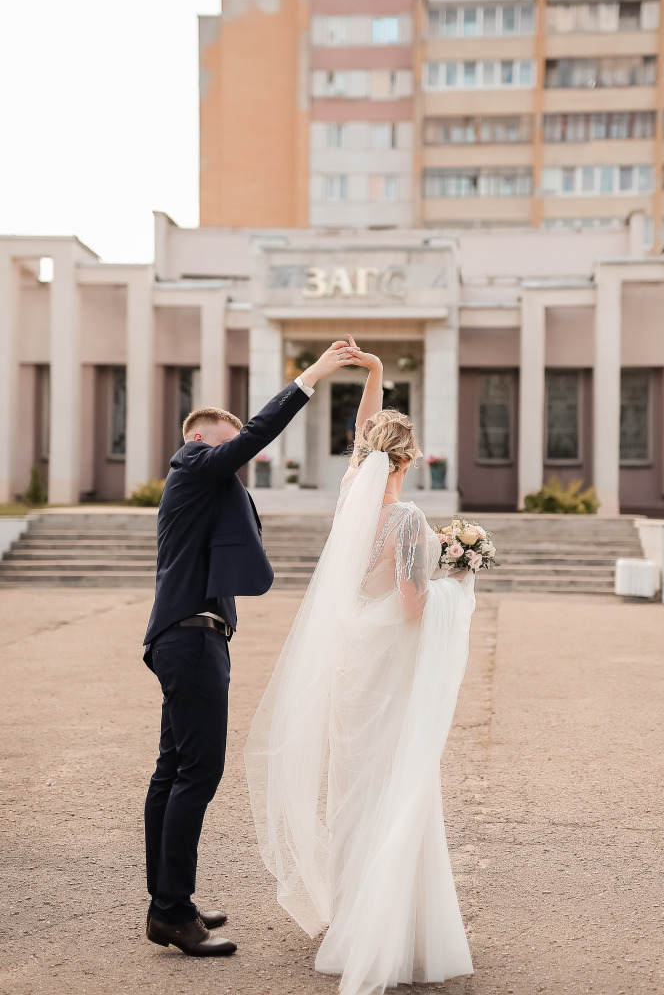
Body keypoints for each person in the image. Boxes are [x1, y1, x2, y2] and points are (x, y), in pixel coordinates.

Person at [244, 336, 476, 995]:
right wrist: (457, 584)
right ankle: (390, 925)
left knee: (351, 788)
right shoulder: (404, 519)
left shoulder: (351, 493)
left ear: (368, 453)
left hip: (352, 663)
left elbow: (361, 441)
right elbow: (411, 607)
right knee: (396, 783)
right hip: (390, 668)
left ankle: (353, 913)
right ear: (411, 458)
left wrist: (373, 372)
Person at [143, 340, 352, 957]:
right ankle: (172, 911)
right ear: (200, 439)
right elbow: (255, 434)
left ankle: (167, 902)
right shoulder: (192, 466)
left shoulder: (203, 486)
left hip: (184, 636)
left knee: (173, 771)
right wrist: (312, 376)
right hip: (189, 638)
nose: (234, 458)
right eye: (224, 445)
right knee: (198, 772)